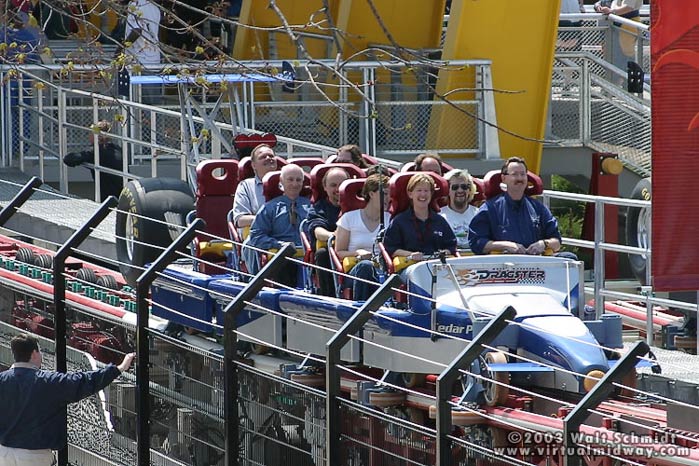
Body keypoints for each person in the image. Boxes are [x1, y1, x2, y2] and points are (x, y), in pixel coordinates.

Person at [0, 334, 135, 465]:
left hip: (4, 453)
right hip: (36, 455)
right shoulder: (48, 381)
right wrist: (119, 368)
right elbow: (83, 381)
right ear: (34, 353)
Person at [468, 156, 569, 257]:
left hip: (536, 264)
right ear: (504, 178)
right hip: (504, 264)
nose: (520, 178)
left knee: (570, 257)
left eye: (523, 174)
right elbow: (476, 243)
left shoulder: (539, 208)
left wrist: (544, 244)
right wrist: (506, 245)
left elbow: (557, 242)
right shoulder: (489, 209)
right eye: (515, 174)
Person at [246, 164, 312, 286]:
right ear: (281, 182)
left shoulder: (311, 208)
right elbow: (256, 236)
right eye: (290, 180)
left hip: (307, 256)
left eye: (298, 180)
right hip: (281, 257)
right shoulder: (269, 208)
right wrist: (279, 245)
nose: (294, 184)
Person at [383, 173, 456, 274]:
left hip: (437, 267)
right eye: (419, 190)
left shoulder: (440, 221)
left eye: (426, 191)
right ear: (410, 194)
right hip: (410, 267)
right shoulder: (399, 221)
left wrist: (444, 253)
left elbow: (451, 246)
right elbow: (390, 248)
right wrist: (411, 255)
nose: (423, 195)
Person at [334, 174, 391, 300]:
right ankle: (361, 309)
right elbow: (339, 252)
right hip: (356, 270)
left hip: (382, 270)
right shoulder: (349, 218)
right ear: (371, 194)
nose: (388, 198)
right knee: (365, 266)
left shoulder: (391, 220)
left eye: (390, 194)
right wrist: (357, 253)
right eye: (385, 194)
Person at [305, 167, 350, 296]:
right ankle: (329, 296)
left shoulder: (360, 206)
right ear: (325, 187)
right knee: (322, 253)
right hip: (333, 253)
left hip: (358, 248)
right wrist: (337, 235)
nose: (338, 189)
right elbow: (318, 231)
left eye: (342, 184)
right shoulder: (319, 208)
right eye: (333, 185)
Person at [63, 120, 125, 202]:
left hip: (108, 196)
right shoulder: (117, 148)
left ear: (97, 136)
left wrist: (83, 160)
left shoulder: (96, 151)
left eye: (91, 133)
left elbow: (69, 159)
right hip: (124, 192)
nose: (89, 136)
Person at [232, 144, 278, 232]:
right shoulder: (246, 186)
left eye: (271, 156)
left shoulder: (288, 183)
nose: (268, 158)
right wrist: (270, 221)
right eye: (263, 157)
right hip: (258, 236)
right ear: (253, 165)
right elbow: (240, 220)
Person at [440, 169, 478, 250]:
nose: (460, 190)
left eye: (464, 187)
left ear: (470, 189)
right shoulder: (439, 216)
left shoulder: (479, 214)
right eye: (455, 187)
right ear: (447, 190)